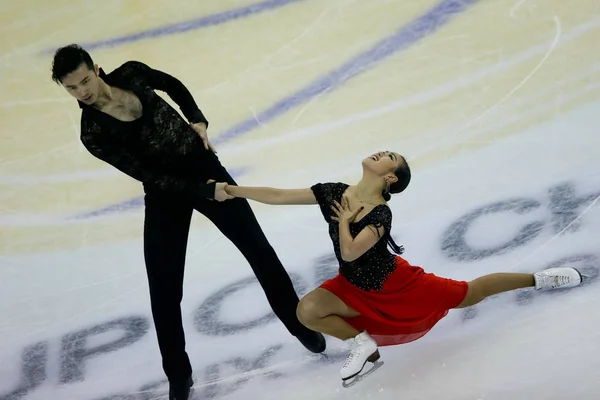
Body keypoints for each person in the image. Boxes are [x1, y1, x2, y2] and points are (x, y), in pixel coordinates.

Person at [50, 44, 325, 399]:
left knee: (258, 250)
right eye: (72, 88)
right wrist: (205, 192)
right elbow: (147, 173)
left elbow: (173, 85)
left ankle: (298, 324)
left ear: (97, 69)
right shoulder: (93, 134)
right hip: (167, 194)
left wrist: (196, 118)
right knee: (163, 290)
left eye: (85, 80)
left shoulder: (131, 72)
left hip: (205, 168)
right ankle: (179, 377)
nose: (82, 92)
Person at [217, 150, 584, 382]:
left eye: (390, 157)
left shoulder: (380, 213)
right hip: (352, 286)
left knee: (470, 293)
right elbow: (280, 195)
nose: (382, 153)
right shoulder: (332, 191)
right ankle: (363, 347)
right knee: (307, 310)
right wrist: (234, 191)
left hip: (395, 284)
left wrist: (344, 221)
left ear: (390, 178)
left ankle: (541, 278)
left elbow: (349, 252)